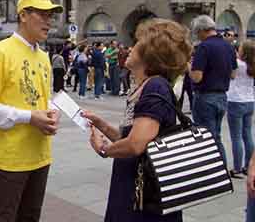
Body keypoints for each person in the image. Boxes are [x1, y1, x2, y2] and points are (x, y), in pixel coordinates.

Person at [83, 19, 192, 222]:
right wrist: (101, 124)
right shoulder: (146, 86)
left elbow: (135, 144)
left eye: (138, 43)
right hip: (135, 182)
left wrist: (104, 150)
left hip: (144, 191)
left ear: (150, 54)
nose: (131, 48)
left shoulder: (155, 87)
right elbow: (132, 137)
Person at [0, 0, 62, 222]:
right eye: (42, 14)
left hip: (41, 154)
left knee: (31, 217)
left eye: (50, 15)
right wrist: (29, 117)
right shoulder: (0, 52)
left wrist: (53, 113)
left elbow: (44, 98)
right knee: (5, 217)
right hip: (10, 158)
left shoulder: (44, 57)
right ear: (23, 15)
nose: (48, 21)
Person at [189, 15, 237, 167]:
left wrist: (187, 67)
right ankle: (220, 169)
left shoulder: (203, 47)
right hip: (222, 96)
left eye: (197, 33)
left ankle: (212, 171)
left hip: (205, 97)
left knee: (206, 138)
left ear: (202, 30)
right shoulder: (228, 46)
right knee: (216, 136)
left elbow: (197, 77)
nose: (198, 36)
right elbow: (233, 74)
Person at [226, 41, 255, 178]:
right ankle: (247, 165)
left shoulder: (237, 63)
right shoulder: (252, 65)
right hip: (249, 100)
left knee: (236, 136)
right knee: (247, 134)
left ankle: (237, 168)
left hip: (235, 100)